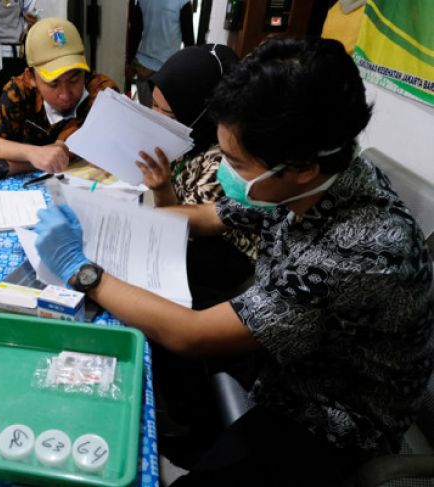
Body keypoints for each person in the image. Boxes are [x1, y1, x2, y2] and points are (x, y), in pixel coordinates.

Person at [33, 37, 434, 485]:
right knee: (149, 340)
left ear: (300, 167)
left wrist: (79, 267)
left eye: (236, 162)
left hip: (330, 413)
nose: (226, 173)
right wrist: (111, 217)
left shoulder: (356, 253)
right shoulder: (316, 178)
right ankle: (188, 438)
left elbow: (194, 336)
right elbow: (207, 216)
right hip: (289, 353)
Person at [137, 44, 257, 310]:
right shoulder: (189, 137)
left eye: (165, 112)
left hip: (222, 258)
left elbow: (182, 230)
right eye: (152, 105)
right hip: (187, 234)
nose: (155, 117)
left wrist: (161, 188)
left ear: (201, 110)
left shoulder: (225, 161)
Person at [0, 17, 118, 183]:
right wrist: (32, 152)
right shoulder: (19, 90)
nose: (65, 94)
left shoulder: (103, 94)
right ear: (31, 77)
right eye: (53, 84)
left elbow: (60, 155)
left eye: (74, 79)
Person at [126, 0, 194, 107]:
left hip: (144, 67)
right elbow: (189, 40)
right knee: (162, 116)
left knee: (146, 112)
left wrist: (129, 62)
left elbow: (135, 33)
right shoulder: (183, 2)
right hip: (168, 70)